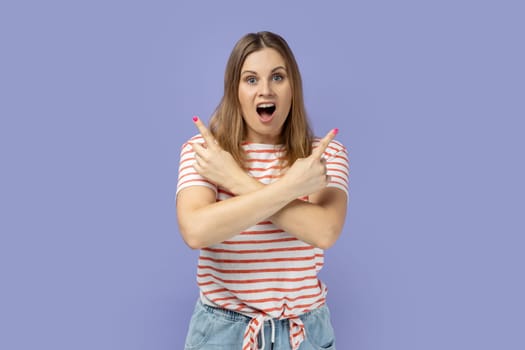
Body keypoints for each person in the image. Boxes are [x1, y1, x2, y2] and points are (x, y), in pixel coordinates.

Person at [176, 31, 349, 350]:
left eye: (278, 77)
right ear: (235, 89)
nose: (265, 90)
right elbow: (196, 231)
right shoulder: (205, 152)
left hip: (304, 332)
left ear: (292, 86)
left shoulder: (323, 155)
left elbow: (324, 231)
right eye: (251, 79)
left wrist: (235, 180)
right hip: (222, 333)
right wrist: (292, 188)